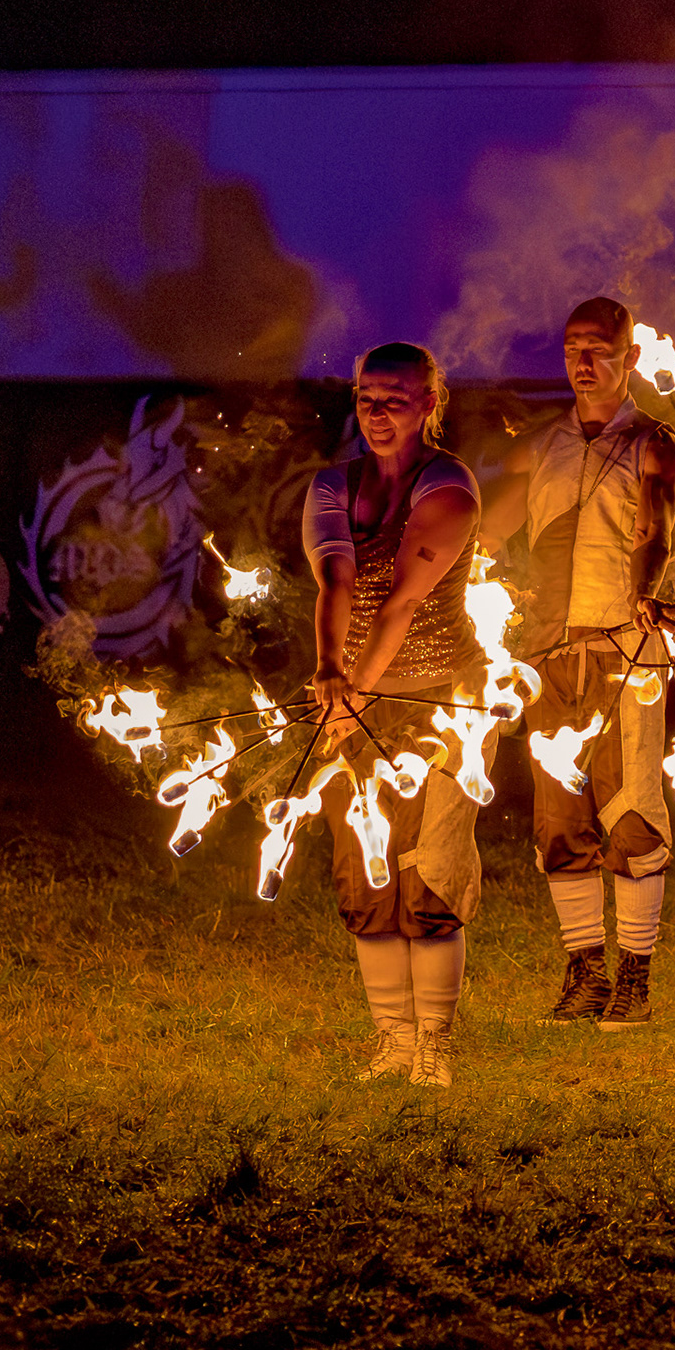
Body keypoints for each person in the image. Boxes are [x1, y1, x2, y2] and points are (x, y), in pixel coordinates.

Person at [485, 297, 675, 1029]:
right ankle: (586, 973)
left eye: (600, 348)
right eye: (573, 347)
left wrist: (644, 592)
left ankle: (635, 977)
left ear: (630, 358)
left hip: (622, 650)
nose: (584, 360)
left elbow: (655, 526)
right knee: (558, 820)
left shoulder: (652, 441)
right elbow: (490, 525)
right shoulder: (544, 445)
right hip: (549, 653)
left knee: (632, 812)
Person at [303, 341, 488, 1088]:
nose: (377, 414)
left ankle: (435, 1043)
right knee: (365, 872)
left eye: (394, 399)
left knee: (432, 874)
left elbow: (407, 600)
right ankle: (392, 1038)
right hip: (352, 693)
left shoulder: (449, 485)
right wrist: (329, 672)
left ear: (428, 403)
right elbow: (337, 582)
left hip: (445, 699)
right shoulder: (331, 484)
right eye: (365, 398)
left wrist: (358, 688)